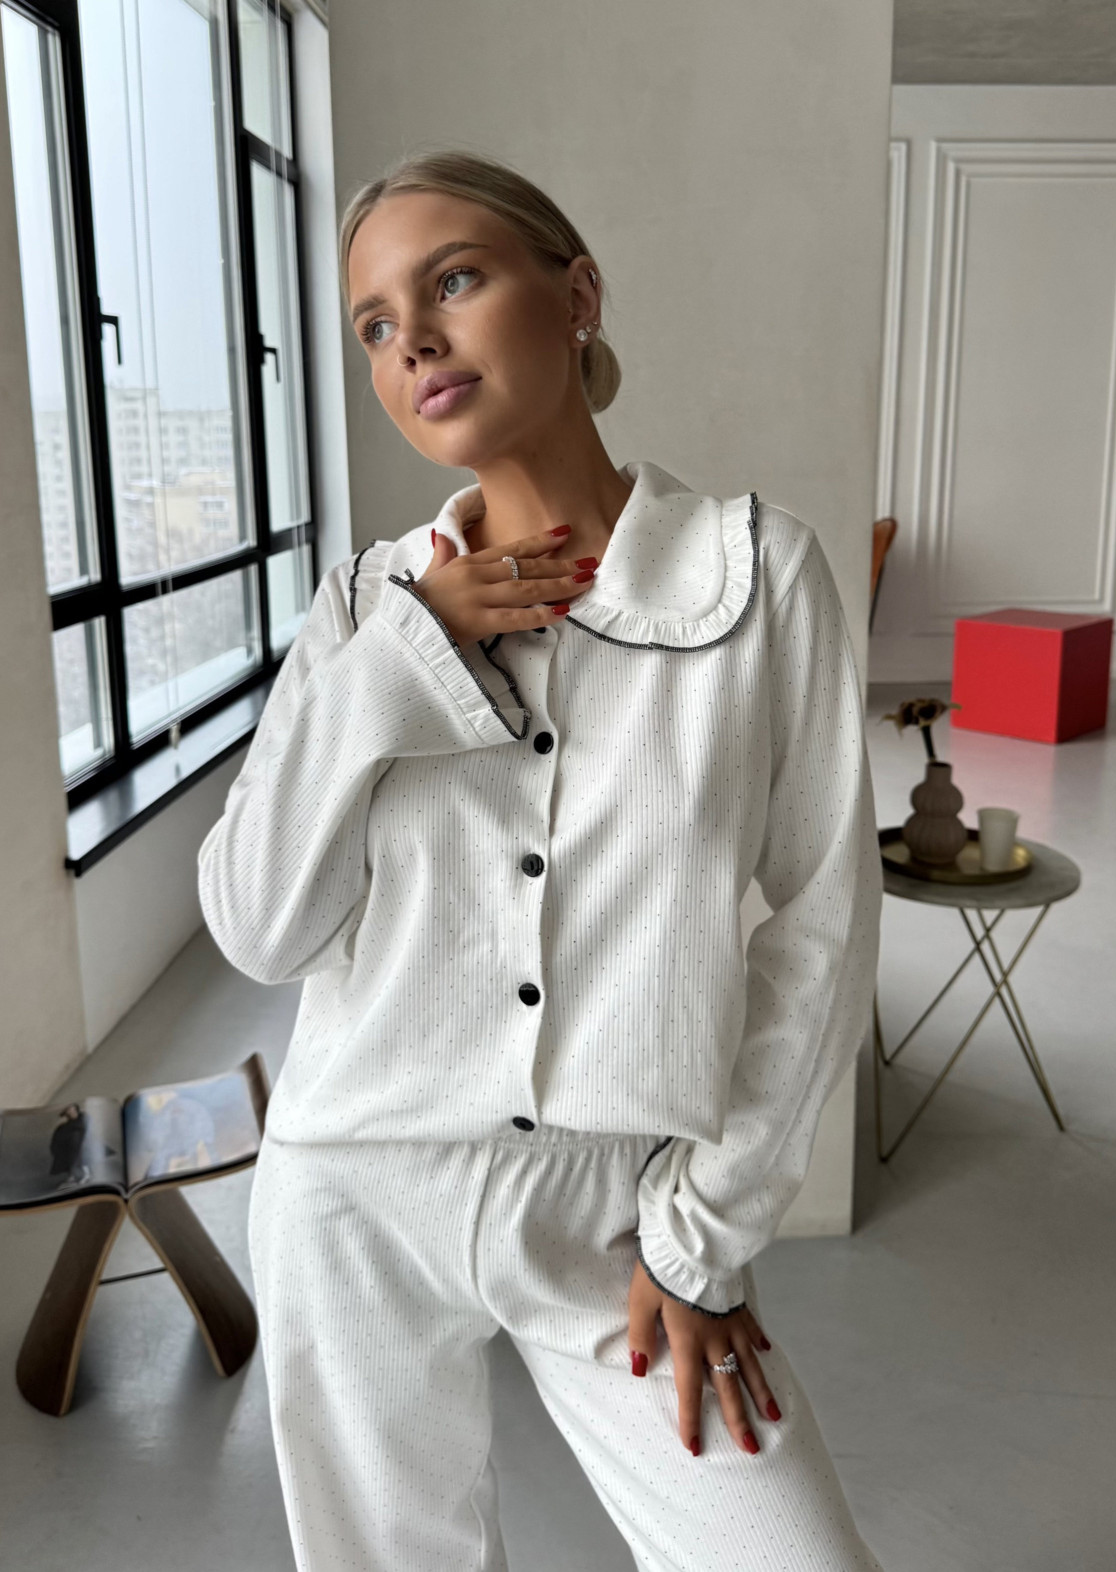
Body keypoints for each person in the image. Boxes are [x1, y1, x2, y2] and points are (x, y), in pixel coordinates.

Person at [198, 148, 885, 1572]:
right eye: (375, 324)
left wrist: (702, 1237)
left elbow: (822, 918)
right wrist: (399, 664)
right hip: (351, 1195)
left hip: (617, 1208)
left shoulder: (756, 574)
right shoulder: (362, 607)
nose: (412, 342)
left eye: (451, 281)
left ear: (576, 296)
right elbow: (261, 929)